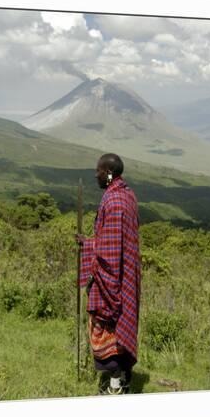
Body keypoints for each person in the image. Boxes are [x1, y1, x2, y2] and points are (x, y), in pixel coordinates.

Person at [75, 153, 141, 395]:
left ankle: (115, 389)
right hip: (128, 276)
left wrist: (107, 288)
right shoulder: (127, 195)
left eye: (99, 170)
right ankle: (124, 381)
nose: (96, 174)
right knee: (122, 325)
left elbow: (110, 254)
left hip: (114, 279)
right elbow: (112, 241)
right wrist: (89, 243)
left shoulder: (113, 201)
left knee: (109, 326)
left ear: (109, 173)